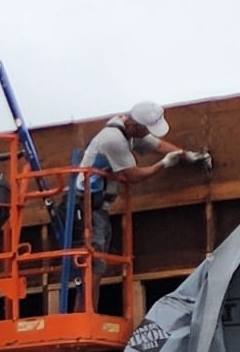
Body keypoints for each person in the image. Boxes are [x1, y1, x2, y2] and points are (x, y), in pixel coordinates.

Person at [60, 101, 211, 311]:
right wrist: (162, 165)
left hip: (95, 207)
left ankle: (86, 314)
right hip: (83, 205)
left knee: (97, 262)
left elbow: (158, 146)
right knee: (93, 263)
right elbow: (133, 176)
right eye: (146, 129)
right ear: (136, 125)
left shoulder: (128, 130)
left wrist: (187, 156)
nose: (148, 133)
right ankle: (84, 316)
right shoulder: (113, 139)